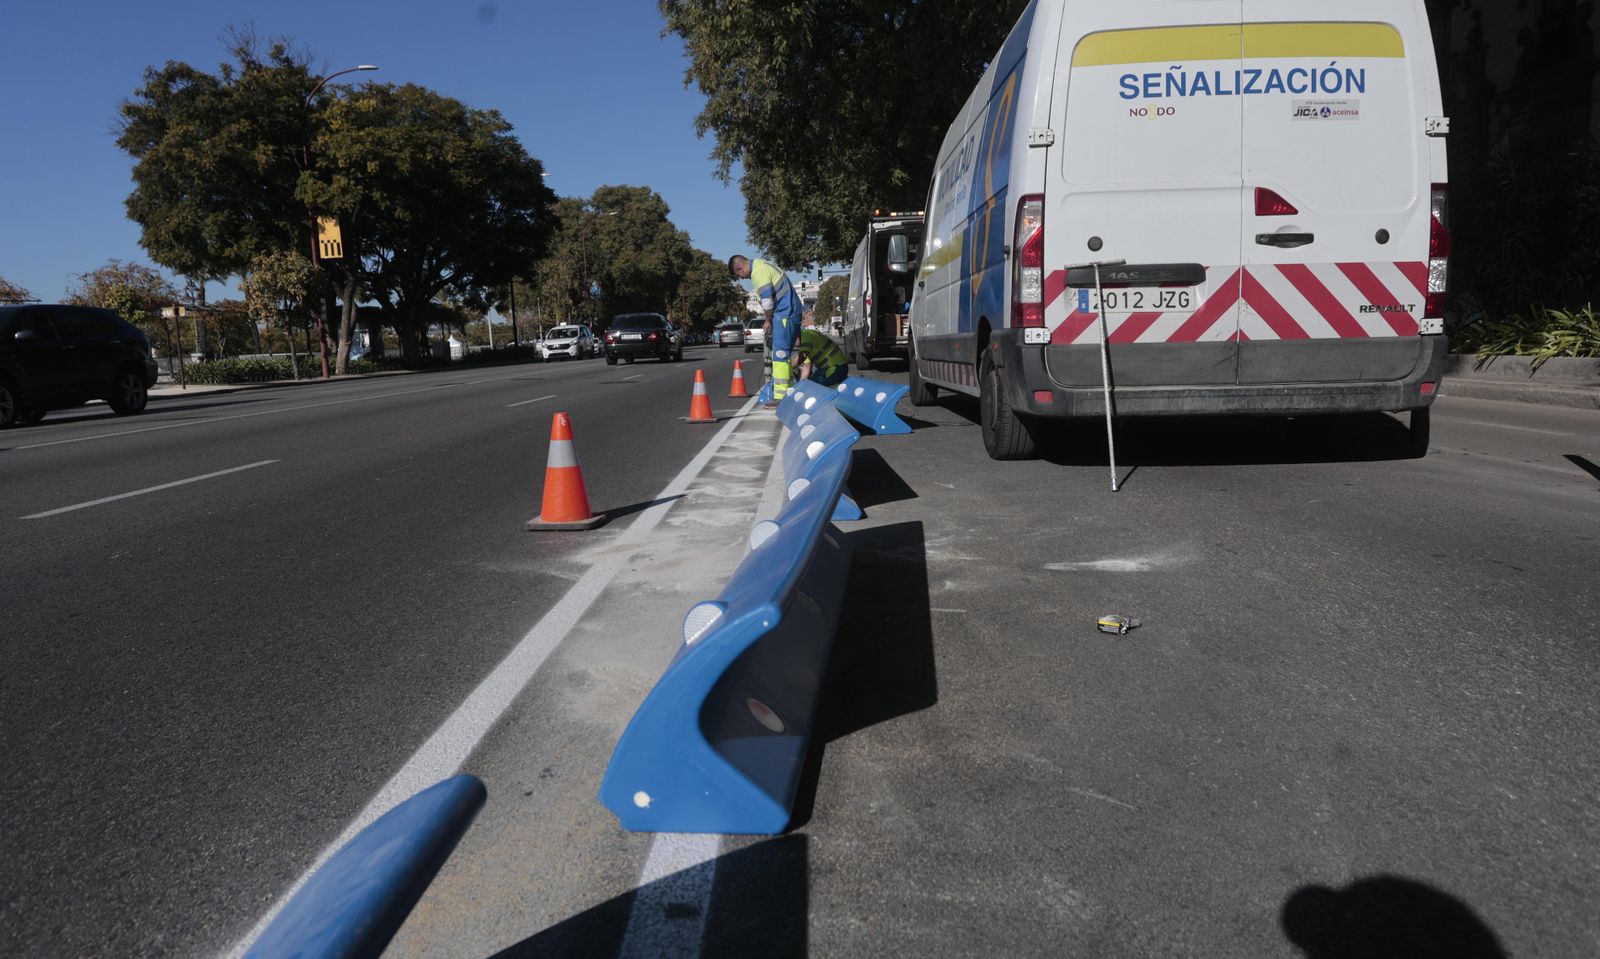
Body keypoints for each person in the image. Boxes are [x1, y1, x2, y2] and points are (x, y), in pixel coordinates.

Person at [728, 254, 804, 406]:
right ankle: (789, 390)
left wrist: (767, 321)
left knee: (780, 355)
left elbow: (767, 302)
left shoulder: (758, 272)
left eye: (739, 275)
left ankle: (781, 397)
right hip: (789, 313)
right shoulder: (763, 265)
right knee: (783, 356)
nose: (742, 278)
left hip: (785, 314)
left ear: (740, 268)